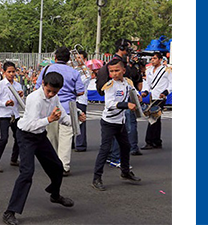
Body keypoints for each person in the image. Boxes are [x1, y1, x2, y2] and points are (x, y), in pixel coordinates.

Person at [2, 72, 81, 225]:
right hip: (26, 136)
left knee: (57, 167)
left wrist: (76, 120)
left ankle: (55, 195)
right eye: (49, 90)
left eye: (55, 92)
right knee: (27, 173)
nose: (51, 94)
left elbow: (63, 117)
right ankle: (9, 212)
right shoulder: (34, 99)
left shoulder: (55, 98)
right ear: (43, 84)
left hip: (40, 135)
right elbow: (31, 124)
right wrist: (49, 119)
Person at [92, 60, 142, 191]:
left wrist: (139, 96)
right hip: (109, 122)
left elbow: (133, 92)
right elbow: (109, 104)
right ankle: (96, 178)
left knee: (126, 147)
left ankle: (125, 172)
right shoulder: (109, 86)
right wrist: (126, 105)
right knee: (104, 149)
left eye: (117, 70)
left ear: (123, 71)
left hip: (121, 122)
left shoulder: (127, 82)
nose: (114, 73)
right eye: (111, 71)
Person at [35, 47, 85, 176]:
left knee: (52, 138)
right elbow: (80, 91)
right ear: (69, 59)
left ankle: (52, 164)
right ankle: (64, 166)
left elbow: (37, 87)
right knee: (66, 139)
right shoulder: (74, 72)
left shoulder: (46, 69)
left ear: (55, 58)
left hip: (50, 109)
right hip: (68, 108)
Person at [0, 61, 22, 173]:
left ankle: (14, 158)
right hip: (4, 114)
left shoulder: (17, 85)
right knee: (4, 138)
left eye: (13, 72)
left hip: (14, 114)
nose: (12, 74)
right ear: (4, 72)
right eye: (9, 72)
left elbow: (19, 101)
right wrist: (5, 103)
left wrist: (20, 96)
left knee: (19, 136)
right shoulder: (0, 85)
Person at [140, 52, 172, 150]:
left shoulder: (166, 70)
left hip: (160, 97)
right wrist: (145, 91)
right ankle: (157, 141)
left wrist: (166, 92)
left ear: (160, 59)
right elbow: (148, 83)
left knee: (152, 118)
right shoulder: (149, 70)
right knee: (156, 120)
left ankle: (149, 141)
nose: (152, 60)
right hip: (152, 96)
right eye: (152, 58)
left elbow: (172, 83)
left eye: (154, 58)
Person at [73, 50, 91, 153]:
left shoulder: (86, 71)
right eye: (76, 58)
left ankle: (81, 144)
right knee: (70, 120)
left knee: (81, 121)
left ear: (84, 59)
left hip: (81, 99)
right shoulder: (74, 69)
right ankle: (71, 142)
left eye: (79, 58)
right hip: (72, 98)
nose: (77, 60)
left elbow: (80, 83)